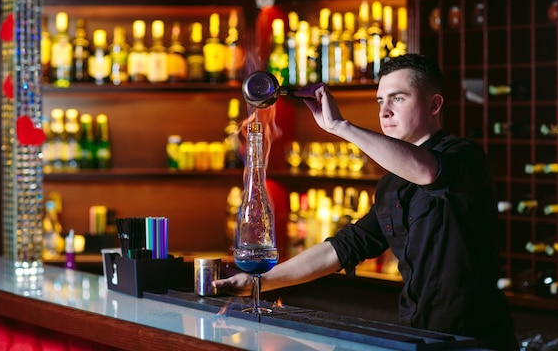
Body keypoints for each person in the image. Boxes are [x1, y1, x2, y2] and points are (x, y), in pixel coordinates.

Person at [213, 53, 519, 350]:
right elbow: (345, 246)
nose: (385, 111)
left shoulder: (465, 156)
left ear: (434, 105)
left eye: (398, 98)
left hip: (477, 342)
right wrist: (258, 281)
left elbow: (428, 172)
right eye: (380, 101)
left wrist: (340, 126)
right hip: (419, 337)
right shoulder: (390, 185)